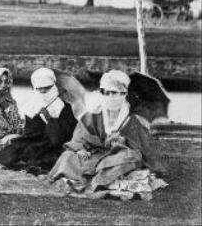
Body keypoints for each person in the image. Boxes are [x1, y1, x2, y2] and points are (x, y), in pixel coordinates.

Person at [49, 70, 167, 199]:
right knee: (68, 157)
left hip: (117, 156)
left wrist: (122, 142)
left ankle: (99, 180)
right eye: (106, 92)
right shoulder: (92, 115)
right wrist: (80, 149)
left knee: (127, 158)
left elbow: (143, 147)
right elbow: (79, 137)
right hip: (95, 153)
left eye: (114, 93)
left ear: (124, 94)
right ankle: (97, 179)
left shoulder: (133, 119)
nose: (110, 97)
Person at [0, 67, 77, 173]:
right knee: (11, 153)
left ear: (53, 86)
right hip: (37, 141)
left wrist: (51, 119)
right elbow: (31, 132)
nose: (43, 91)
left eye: (47, 88)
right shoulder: (32, 106)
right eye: (40, 89)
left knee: (49, 156)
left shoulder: (64, 107)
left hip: (58, 143)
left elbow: (67, 134)